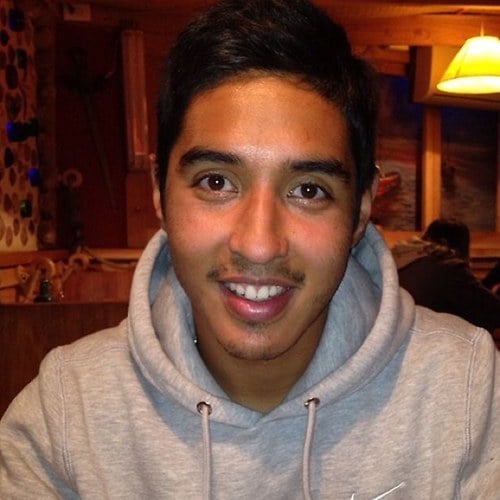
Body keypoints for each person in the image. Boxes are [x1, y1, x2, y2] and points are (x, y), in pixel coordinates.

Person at [1, 1, 498, 498]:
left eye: (308, 190)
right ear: (159, 192)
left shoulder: (467, 395)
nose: (259, 246)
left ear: (361, 210)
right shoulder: (66, 417)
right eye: (216, 182)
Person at [392, 218, 500, 336]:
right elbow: (492, 309)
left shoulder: (402, 258)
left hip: (398, 334)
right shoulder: (448, 266)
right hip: (424, 337)